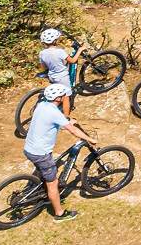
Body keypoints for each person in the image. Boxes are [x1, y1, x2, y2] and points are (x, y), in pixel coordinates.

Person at [23, 83, 98, 222]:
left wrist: (68, 120)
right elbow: (73, 130)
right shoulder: (55, 113)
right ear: (58, 98)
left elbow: (56, 121)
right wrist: (89, 139)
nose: (64, 97)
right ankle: (59, 213)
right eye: (63, 96)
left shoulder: (41, 105)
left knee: (42, 169)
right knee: (53, 182)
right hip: (41, 153)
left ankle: (41, 190)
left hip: (29, 148)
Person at [37, 27, 79, 112]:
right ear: (54, 41)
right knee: (66, 97)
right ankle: (66, 119)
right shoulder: (59, 51)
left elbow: (44, 67)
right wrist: (80, 51)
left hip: (52, 76)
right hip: (62, 77)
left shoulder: (42, 53)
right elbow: (73, 61)